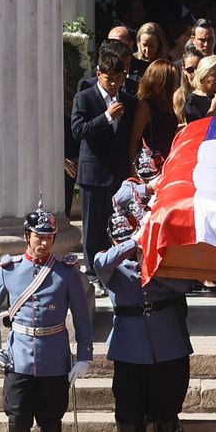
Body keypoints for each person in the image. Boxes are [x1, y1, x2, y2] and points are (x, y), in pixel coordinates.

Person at [0, 202, 94, 432]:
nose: (44, 242)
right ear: (27, 236)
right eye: (38, 236)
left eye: (49, 237)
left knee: (51, 423)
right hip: (18, 359)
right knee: (18, 422)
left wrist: (84, 355)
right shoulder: (9, 269)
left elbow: (82, 317)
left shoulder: (66, 272)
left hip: (54, 358)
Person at [94, 211, 192, 432]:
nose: (128, 245)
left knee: (166, 412)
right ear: (113, 240)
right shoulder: (110, 262)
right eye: (119, 240)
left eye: (132, 237)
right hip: (130, 348)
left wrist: (150, 256)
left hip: (167, 345)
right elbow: (101, 264)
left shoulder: (159, 259)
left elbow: (184, 285)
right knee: (128, 413)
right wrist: (129, 244)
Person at [71, 52, 137, 296]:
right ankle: (92, 274)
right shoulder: (85, 97)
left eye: (118, 79)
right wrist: (107, 117)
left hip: (118, 173)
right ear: (99, 74)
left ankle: (116, 268)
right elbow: (78, 130)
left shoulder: (128, 99)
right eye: (109, 78)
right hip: (93, 173)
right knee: (92, 227)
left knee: (116, 224)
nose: (113, 84)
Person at [129, 59, 179, 164]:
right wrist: (133, 168)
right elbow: (134, 140)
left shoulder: (168, 105)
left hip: (165, 161)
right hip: (148, 164)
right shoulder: (145, 106)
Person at [173, 44, 204, 124]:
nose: (195, 73)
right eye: (190, 70)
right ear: (184, 71)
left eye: (199, 68)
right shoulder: (179, 97)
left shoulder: (212, 91)